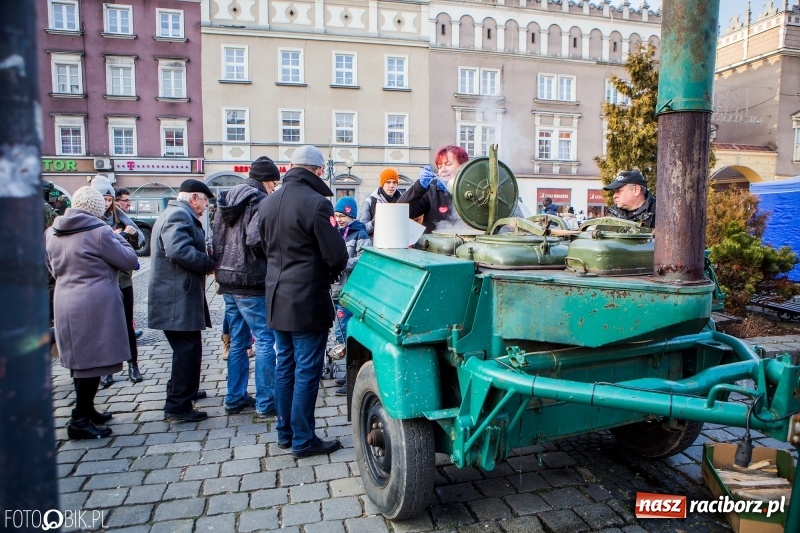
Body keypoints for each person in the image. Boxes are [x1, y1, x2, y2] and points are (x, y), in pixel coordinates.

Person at [258, 145, 348, 458]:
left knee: (286, 366)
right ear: (319, 171)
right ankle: (303, 439)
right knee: (307, 370)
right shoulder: (317, 204)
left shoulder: (268, 202)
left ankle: (286, 433)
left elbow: (257, 247)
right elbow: (337, 254)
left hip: (276, 296)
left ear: (290, 166)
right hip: (306, 298)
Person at [45, 186, 139, 439]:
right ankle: (79, 419)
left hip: (64, 298)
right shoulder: (99, 231)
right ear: (100, 208)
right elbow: (129, 260)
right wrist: (119, 236)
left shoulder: (52, 231)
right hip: (96, 302)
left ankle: (87, 410)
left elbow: (51, 268)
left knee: (80, 360)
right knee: (94, 361)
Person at [212, 156, 280, 418]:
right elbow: (255, 238)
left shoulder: (226, 199)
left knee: (238, 342)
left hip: (227, 279)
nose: (274, 187)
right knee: (265, 339)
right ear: (267, 180)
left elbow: (216, 238)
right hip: (251, 280)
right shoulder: (260, 201)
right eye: (274, 182)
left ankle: (235, 397)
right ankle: (266, 402)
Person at [148, 179, 216, 422]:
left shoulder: (176, 213)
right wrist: (208, 263)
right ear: (194, 198)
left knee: (188, 348)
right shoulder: (179, 215)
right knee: (187, 350)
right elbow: (178, 250)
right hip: (176, 296)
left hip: (177, 294)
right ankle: (178, 405)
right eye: (205, 201)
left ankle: (184, 391)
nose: (206, 206)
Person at [92, 178, 146, 387]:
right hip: (101, 283)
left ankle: (133, 364)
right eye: (103, 199)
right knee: (106, 326)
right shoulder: (91, 221)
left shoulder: (120, 216)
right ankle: (108, 368)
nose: (106, 203)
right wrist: (120, 236)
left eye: (108, 199)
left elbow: (136, 245)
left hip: (123, 280)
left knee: (127, 324)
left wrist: (127, 236)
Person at [330, 196, 371, 396]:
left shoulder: (360, 233)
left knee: (348, 335)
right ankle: (349, 374)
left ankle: (353, 379)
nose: (339, 219)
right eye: (336, 215)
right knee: (341, 334)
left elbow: (364, 258)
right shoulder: (337, 233)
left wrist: (342, 262)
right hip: (339, 291)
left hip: (351, 291)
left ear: (351, 215)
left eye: (342, 216)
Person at [399, 144, 469, 233]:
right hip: (434, 244)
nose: (443, 170)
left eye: (448, 164)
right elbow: (401, 210)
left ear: (464, 166)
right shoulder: (432, 191)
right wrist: (419, 187)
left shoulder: (476, 191)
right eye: (439, 166)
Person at [359, 167, 402, 236]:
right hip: (375, 245)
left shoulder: (403, 201)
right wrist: (375, 222)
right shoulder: (369, 202)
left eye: (394, 182)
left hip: (397, 244)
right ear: (382, 184)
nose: (391, 186)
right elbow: (362, 229)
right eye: (388, 182)